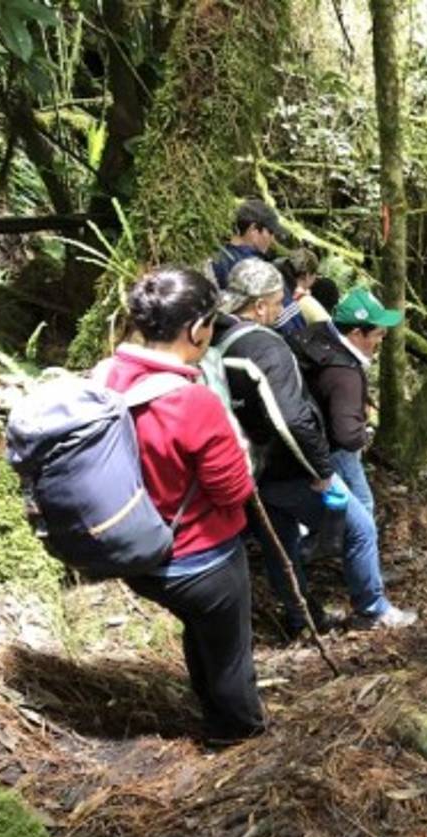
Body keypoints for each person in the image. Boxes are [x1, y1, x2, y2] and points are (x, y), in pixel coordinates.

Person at [102, 267, 265, 745]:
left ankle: (213, 711)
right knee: (229, 651)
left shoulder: (106, 377)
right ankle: (239, 735)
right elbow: (232, 491)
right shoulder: (192, 402)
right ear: (197, 329)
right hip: (201, 558)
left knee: (201, 633)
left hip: (135, 552)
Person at [213, 259, 416, 634]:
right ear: (258, 306)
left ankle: (302, 617)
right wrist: (321, 470)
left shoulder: (219, 339)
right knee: (359, 528)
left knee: (282, 542)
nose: (281, 310)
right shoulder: (265, 347)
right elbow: (292, 418)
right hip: (289, 466)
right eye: (277, 302)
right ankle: (372, 609)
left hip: (251, 467)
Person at [289, 286, 402, 519]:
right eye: (379, 334)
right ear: (357, 334)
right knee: (363, 506)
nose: (382, 339)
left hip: (307, 439)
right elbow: (347, 436)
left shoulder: (316, 335)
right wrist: (364, 432)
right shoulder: (345, 374)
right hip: (334, 450)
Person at [210, 198, 306, 336]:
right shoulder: (261, 269)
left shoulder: (215, 259)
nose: (272, 239)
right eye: (270, 232)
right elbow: (290, 323)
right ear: (254, 230)